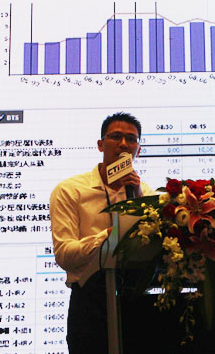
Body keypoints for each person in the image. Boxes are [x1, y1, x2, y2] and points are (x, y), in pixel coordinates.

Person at [49, 112, 155, 354]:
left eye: (131, 139)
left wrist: (138, 198)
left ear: (138, 149)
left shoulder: (146, 194)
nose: (124, 144)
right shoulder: (70, 190)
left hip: (138, 302)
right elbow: (64, 255)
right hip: (90, 304)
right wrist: (109, 235)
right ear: (100, 144)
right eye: (115, 137)